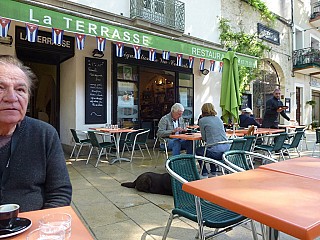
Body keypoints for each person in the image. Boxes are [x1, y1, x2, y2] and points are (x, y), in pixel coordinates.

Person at [0, 55, 72, 212]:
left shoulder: (45, 134)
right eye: (0, 88)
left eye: (20, 89)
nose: (12, 98)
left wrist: (43, 228)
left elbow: (60, 193)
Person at [195, 103, 230, 178]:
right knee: (209, 147)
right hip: (226, 151)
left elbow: (204, 138)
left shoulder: (202, 120)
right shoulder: (219, 119)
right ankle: (213, 171)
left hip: (216, 153)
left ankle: (204, 173)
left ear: (202, 110)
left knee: (199, 150)